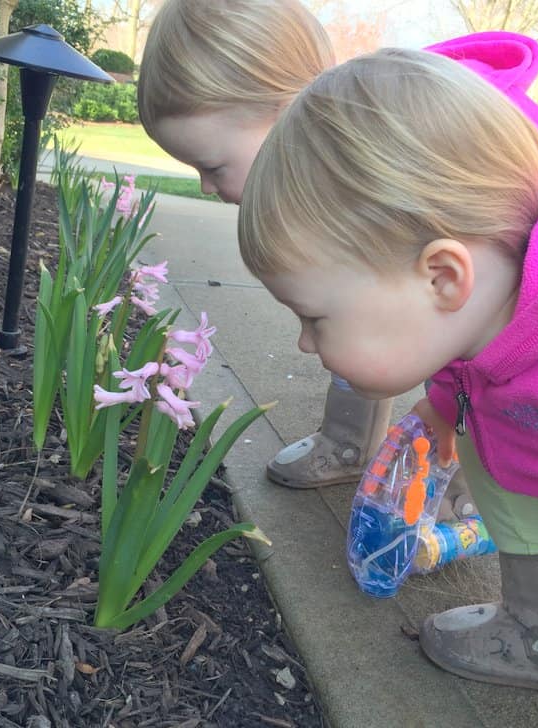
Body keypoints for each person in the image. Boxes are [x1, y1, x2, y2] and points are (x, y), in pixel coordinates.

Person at [238, 44, 538, 697]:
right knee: (484, 441)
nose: (305, 345)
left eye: (316, 318)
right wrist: (441, 407)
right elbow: (468, 358)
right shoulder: (481, 307)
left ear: (442, 276)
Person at [137, 0, 394, 494]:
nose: (206, 188)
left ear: (289, 113)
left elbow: (460, 318)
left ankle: (474, 472)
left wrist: (445, 409)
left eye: (212, 167)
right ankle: (348, 442)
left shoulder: (384, 179)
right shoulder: (314, 177)